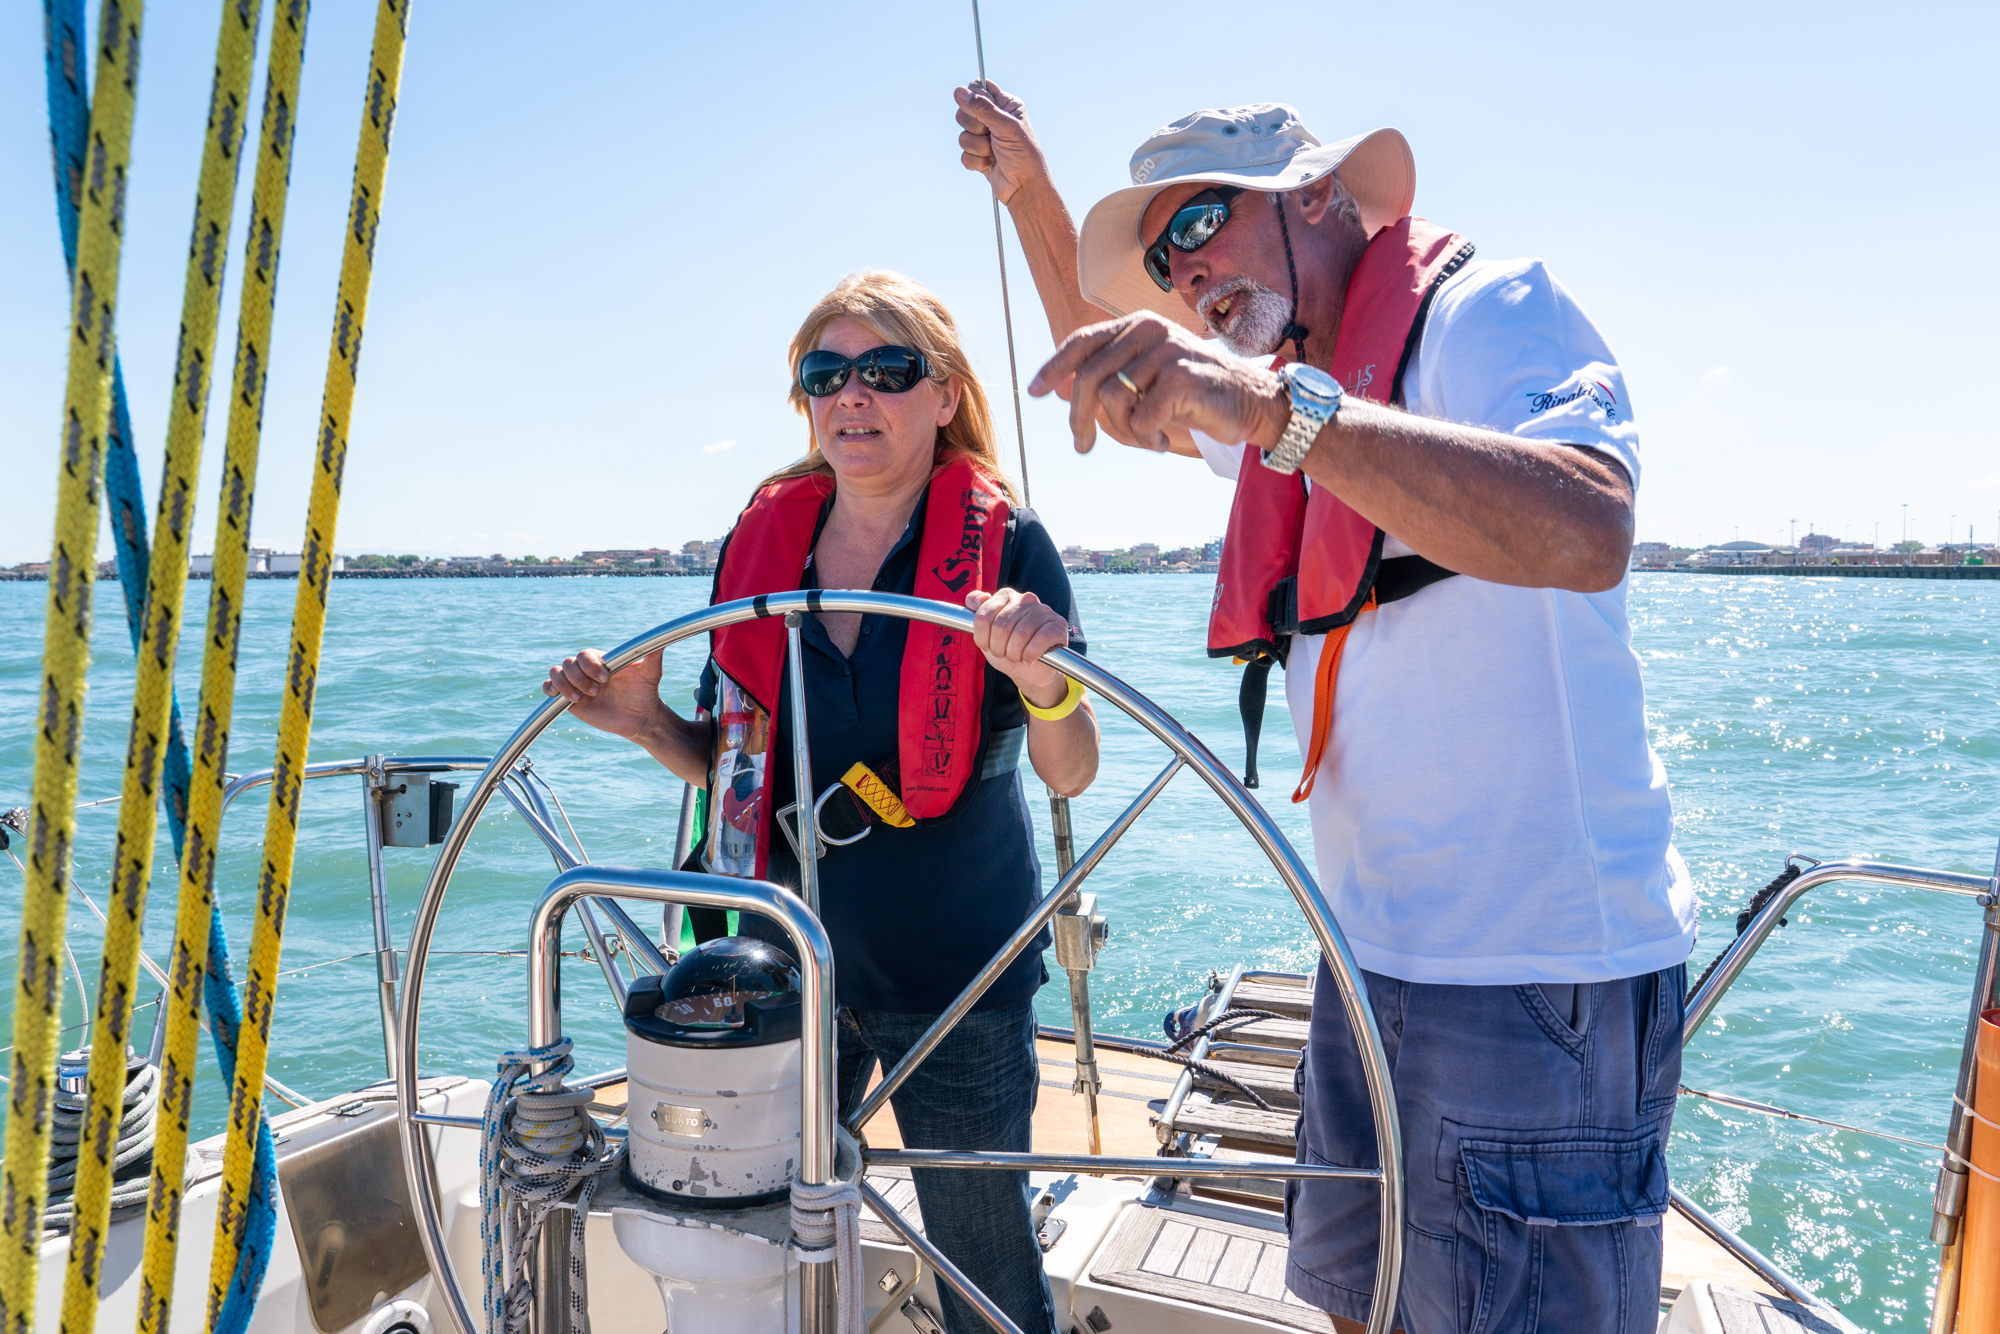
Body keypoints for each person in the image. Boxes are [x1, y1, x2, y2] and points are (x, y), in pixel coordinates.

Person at [957, 85, 1696, 1333]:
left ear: (1318, 197)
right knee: (1354, 1306)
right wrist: (1029, 189)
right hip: (1366, 956)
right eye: (1161, 258)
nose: (1182, 273)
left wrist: (1269, 410)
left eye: (1200, 221)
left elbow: (1588, 523)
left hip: (1531, 968)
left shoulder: (1478, 310)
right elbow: (1113, 348)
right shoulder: (1290, 390)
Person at [543, 269, 1097, 1334]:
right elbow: (734, 771)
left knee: (980, 1269)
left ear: (943, 395)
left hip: (959, 973)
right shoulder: (758, 546)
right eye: (825, 372)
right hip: (782, 968)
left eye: (887, 369)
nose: (853, 393)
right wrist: (644, 722)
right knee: (761, 1246)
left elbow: (1069, 769)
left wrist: (1039, 675)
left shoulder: (1007, 546)